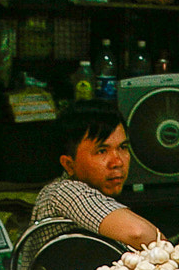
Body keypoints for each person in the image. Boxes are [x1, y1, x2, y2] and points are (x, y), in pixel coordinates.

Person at [31, 101, 161, 250]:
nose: (117, 162)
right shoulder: (63, 192)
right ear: (69, 164)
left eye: (123, 147)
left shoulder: (99, 195)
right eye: (101, 151)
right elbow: (138, 233)